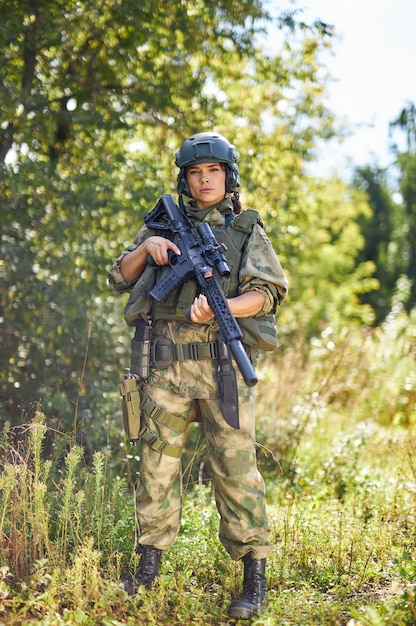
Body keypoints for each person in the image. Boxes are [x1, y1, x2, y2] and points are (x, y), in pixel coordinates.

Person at [108, 131, 288, 620]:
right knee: (157, 467)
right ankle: (146, 571)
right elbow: (120, 275)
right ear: (184, 179)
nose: (204, 181)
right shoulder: (161, 225)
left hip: (222, 369)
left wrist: (222, 307)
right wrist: (154, 248)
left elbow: (267, 292)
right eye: (195, 172)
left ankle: (254, 579)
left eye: (213, 172)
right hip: (164, 367)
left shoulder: (246, 229)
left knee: (235, 470)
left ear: (228, 178)